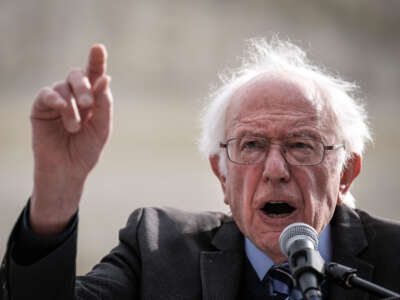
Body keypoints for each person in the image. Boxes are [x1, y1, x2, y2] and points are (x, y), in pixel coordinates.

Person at [1, 38, 399, 300]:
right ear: (222, 175)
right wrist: (57, 191)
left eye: (300, 145)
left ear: (346, 171)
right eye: (252, 145)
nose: (275, 170)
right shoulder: (156, 250)